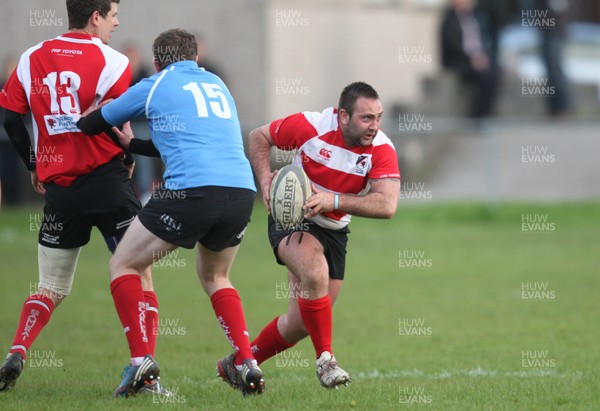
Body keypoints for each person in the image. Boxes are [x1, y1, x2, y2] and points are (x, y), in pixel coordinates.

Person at [76, 28, 265, 397]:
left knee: (124, 264)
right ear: (195, 59)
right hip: (241, 192)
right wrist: (137, 145)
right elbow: (191, 139)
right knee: (216, 277)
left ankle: (139, 361)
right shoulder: (217, 84)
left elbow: (95, 124)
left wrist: (83, 116)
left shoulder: (156, 83)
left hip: (191, 192)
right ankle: (245, 360)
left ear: (159, 61)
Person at [0, 0, 164, 395]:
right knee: (140, 275)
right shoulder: (113, 62)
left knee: (50, 287)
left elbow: (9, 117)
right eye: (113, 14)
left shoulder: (31, 58)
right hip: (108, 184)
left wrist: (34, 164)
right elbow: (115, 120)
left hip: (61, 191)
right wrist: (127, 158)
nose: (117, 21)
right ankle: (145, 376)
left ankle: (18, 349)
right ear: (95, 17)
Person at [223, 81, 400, 389]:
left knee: (301, 323)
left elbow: (387, 205)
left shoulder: (381, 148)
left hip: (335, 229)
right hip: (293, 216)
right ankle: (326, 361)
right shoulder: (311, 126)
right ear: (343, 116)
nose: (375, 125)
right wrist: (265, 179)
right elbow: (259, 137)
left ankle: (239, 363)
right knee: (315, 273)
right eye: (366, 118)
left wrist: (333, 201)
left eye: (378, 117)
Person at [440, 0, 501, 118]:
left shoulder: (477, 17)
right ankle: (476, 116)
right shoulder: (449, 19)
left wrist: (483, 56)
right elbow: (453, 44)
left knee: (495, 72)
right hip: (459, 61)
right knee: (485, 77)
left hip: (478, 58)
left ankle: (486, 113)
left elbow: (483, 40)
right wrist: (471, 58)